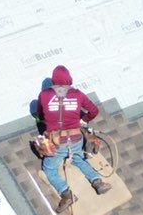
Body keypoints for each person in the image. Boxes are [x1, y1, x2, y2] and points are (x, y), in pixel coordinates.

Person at [33, 63, 105, 202]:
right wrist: (83, 119)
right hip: (76, 140)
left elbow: (40, 116)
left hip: (57, 143)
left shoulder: (44, 95)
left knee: (50, 169)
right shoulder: (78, 95)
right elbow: (94, 111)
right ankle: (97, 181)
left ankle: (66, 193)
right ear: (69, 79)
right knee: (79, 159)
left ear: (53, 81)